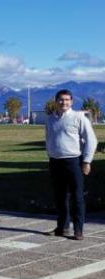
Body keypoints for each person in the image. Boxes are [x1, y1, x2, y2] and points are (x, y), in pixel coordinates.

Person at [45, 89, 97, 240]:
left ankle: (78, 230)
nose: (64, 102)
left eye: (67, 100)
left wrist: (87, 161)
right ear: (56, 101)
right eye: (61, 100)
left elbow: (91, 140)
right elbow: (49, 138)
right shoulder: (50, 119)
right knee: (60, 196)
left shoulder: (79, 118)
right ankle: (62, 227)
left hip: (73, 161)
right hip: (55, 162)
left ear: (72, 102)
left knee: (77, 196)